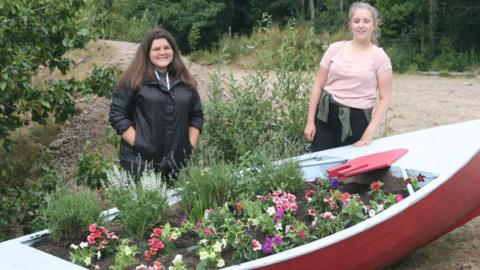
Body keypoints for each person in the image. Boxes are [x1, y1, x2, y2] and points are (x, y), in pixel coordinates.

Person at [109, 27, 203, 180]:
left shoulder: (185, 81)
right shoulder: (133, 80)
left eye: (167, 47)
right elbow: (117, 115)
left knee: (173, 204)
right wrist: (141, 143)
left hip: (175, 163)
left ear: (173, 50)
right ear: (147, 53)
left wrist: (188, 146)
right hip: (139, 162)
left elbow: (196, 116)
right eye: (156, 49)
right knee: (144, 203)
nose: (162, 52)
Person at [304, 2, 392, 152]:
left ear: (374, 25)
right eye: (356, 21)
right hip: (325, 117)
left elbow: (385, 98)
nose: (361, 25)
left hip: (357, 121)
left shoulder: (380, 57)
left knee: (349, 172)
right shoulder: (335, 49)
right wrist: (310, 121)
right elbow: (318, 84)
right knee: (321, 167)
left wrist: (370, 131)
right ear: (350, 24)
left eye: (366, 21)